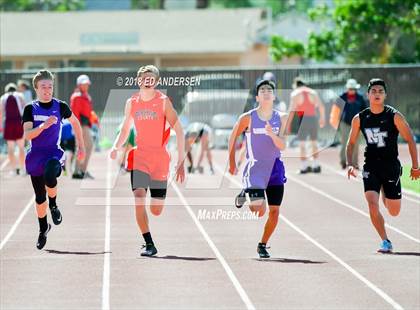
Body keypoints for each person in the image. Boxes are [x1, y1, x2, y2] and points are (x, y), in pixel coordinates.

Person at [110, 65, 185, 257]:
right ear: (138, 80)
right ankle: (149, 243)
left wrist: (181, 161)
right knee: (139, 198)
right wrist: (116, 147)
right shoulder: (132, 102)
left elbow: (179, 130)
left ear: (157, 82)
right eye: (144, 78)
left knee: (156, 209)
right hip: (140, 157)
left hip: (160, 159)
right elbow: (126, 128)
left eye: (151, 78)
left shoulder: (163, 102)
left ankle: (156, 204)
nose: (148, 81)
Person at [347, 78, 419, 253]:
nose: (377, 94)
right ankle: (385, 240)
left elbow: (410, 139)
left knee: (393, 211)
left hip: (390, 166)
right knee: (372, 204)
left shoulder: (394, 116)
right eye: (374, 91)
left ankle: (386, 192)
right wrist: (351, 164)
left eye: (380, 91)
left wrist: (416, 167)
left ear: (385, 95)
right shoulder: (360, 118)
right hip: (370, 166)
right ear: (368, 95)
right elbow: (351, 143)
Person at [22, 69, 85, 249]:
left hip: (53, 152)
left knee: (51, 172)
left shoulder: (61, 106)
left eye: (50, 86)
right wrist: (42, 126)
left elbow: (75, 123)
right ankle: (43, 229)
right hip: (35, 155)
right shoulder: (30, 109)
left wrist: (81, 145)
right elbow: (27, 135)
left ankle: (54, 206)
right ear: (36, 88)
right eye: (43, 87)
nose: (47, 90)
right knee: (39, 197)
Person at [228, 79, 288, 259]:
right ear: (257, 96)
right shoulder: (248, 117)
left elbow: (283, 145)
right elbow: (232, 137)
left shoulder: (282, 117)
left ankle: (262, 244)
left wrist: (271, 134)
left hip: (275, 168)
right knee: (258, 210)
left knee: (274, 211)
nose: (266, 92)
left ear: (274, 95)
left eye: (269, 89)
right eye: (262, 90)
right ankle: (246, 192)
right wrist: (231, 161)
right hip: (256, 168)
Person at [288, 77, 325, 173]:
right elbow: (321, 106)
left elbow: (291, 110)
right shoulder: (312, 92)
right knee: (314, 143)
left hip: (302, 120)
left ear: (296, 85)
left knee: (302, 144)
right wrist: (322, 118)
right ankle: (316, 165)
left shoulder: (295, 94)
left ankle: (304, 167)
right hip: (313, 119)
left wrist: (288, 123)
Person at [330, 79, 367, 169]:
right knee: (344, 142)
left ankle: (354, 163)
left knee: (356, 143)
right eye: (350, 88)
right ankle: (343, 161)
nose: (352, 90)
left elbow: (364, 110)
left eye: (353, 88)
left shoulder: (360, 98)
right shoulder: (342, 97)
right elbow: (336, 110)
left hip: (357, 124)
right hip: (344, 123)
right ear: (347, 88)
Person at [70, 74, 94, 179]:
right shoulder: (77, 97)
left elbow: (88, 111)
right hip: (80, 125)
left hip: (85, 125)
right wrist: (77, 128)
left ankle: (80, 170)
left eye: (87, 84)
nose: (86, 86)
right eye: (83, 84)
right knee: (82, 146)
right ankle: (78, 170)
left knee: (86, 146)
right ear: (79, 85)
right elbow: (74, 113)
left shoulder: (86, 96)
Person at [0, 83, 26, 176]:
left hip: (8, 123)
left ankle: (13, 170)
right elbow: (25, 109)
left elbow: (1, 113)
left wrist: (1, 127)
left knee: (10, 148)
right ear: (15, 89)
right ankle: (22, 169)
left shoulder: (3, 98)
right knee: (21, 147)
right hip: (19, 122)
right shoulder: (20, 96)